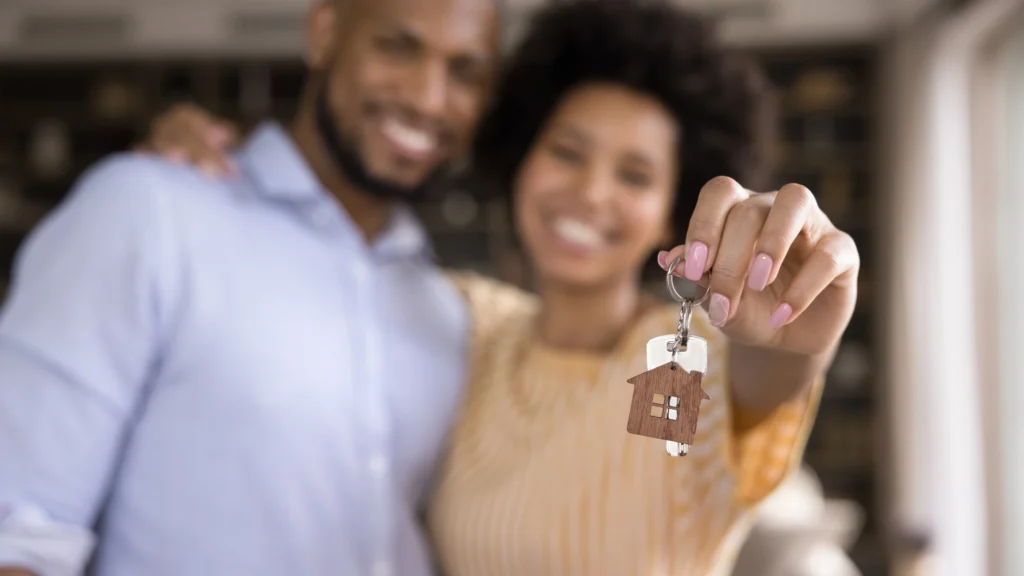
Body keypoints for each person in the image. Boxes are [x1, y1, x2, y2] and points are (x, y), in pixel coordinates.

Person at [137, 1, 859, 574]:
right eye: (566, 153)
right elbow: (314, 274)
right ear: (519, 159)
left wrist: (796, 340)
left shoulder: (680, 357)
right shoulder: (469, 326)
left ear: (671, 208)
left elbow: (762, 377)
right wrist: (212, 183)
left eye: (633, 175)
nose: (589, 193)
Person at [0, 0, 501, 575]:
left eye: (465, 74)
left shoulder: (452, 315)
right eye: (397, 48)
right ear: (324, 33)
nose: (427, 99)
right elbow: (19, 530)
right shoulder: (150, 213)